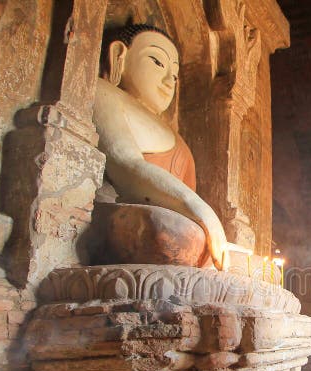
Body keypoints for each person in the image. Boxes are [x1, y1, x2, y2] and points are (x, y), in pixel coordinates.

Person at [93, 24, 228, 270]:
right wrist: (202, 210)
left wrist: (203, 221)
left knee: (201, 242)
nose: (169, 81)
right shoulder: (104, 93)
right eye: (157, 62)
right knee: (164, 230)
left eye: (175, 76)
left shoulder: (176, 137)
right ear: (118, 56)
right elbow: (125, 164)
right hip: (124, 211)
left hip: (177, 225)